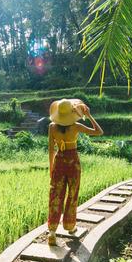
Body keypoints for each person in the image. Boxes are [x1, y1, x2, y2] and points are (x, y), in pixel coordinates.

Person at [47, 98, 103, 246]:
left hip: (59, 161)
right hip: (73, 162)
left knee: (56, 195)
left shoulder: (52, 127)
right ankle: (70, 227)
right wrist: (89, 115)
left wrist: (51, 168)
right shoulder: (76, 127)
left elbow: (51, 149)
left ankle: (52, 232)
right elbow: (99, 132)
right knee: (73, 194)